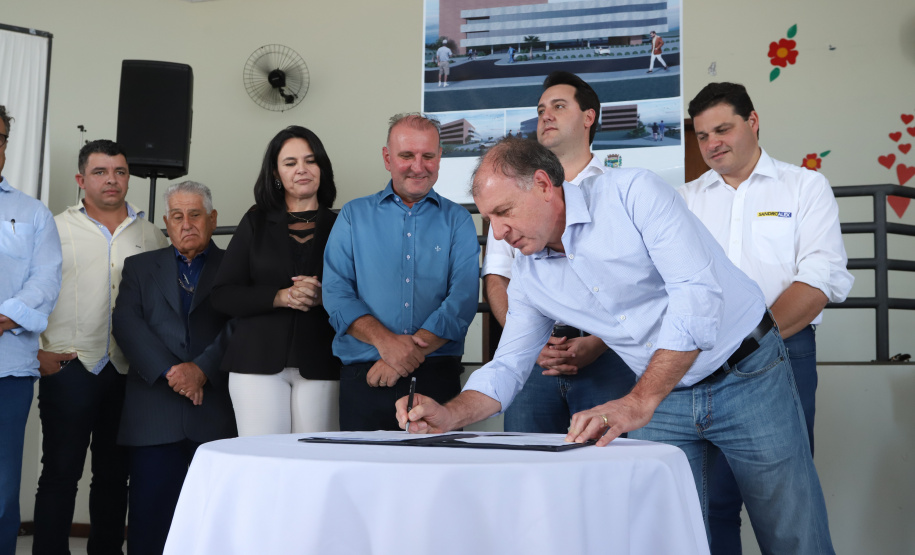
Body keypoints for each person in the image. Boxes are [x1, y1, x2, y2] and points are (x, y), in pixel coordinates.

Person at [397, 137, 836, 554]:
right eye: (489, 218)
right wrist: (450, 413)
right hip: (667, 399)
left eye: (504, 211)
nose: (499, 233)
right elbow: (509, 367)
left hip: (747, 374)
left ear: (544, 186)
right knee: (669, 538)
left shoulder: (633, 194)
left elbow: (696, 298)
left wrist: (638, 401)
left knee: (792, 533)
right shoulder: (530, 278)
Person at [680, 82, 853, 554]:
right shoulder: (683, 200)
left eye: (723, 129)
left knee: (787, 505)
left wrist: (751, 339)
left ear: (752, 122)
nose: (712, 142)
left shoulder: (804, 186)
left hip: (784, 354)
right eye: (701, 135)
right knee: (710, 505)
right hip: (702, 362)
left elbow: (819, 280)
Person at [34, 139, 169, 555]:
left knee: (114, 477)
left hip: (130, 374)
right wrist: (38, 353)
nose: (112, 180)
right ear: (81, 180)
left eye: (120, 172)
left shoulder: (153, 235)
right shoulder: (53, 229)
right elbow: (33, 293)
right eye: (100, 172)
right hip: (70, 369)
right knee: (60, 474)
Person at [482, 71, 635, 434]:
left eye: (558, 106)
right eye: (540, 109)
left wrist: (599, 341)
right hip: (536, 364)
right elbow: (498, 278)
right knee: (528, 472)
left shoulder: (618, 190)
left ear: (588, 117)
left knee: (608, 474)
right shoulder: (509, 194)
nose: (545, 115)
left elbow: (638, 285)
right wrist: (532, 346)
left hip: (611, 357)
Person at [323, 113, 479, 431]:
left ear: (439, 158)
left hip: (438, 376)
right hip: (364, 378)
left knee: (439, 478)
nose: (418, 166)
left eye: (428, 156)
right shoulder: (353, 215)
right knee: (364, 479)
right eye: (407, 155)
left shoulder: (459, 220)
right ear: (387, 158)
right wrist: (387, 344)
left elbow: (462, 299)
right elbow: (336, 293)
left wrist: (401, 355)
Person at [112, 181, 237, 555]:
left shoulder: (236, 267)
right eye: (178, 217)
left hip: (214, 412)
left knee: (212, 523)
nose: (187, 224)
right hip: (154, 413)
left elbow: (240, 325)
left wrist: (201, 370)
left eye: (195, 215)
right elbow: (126, 324)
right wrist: (173, 372)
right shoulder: (139, 267)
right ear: (166, 222)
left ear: (212, 219)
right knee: (150, 524)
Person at [211, 126, 340, 436]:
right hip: (255, 361)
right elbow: (223, 295)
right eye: (290, 163)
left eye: (310, 161)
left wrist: (325, 297)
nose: (302, 170)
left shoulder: (342, 224)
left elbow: (362, 291)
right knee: (263, 463)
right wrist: (282, 296)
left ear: (322, 167)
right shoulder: (255, 221)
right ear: (276, 173)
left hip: (321, 360)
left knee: (314, 465)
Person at [0, 105, 62, 555]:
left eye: (0, 137)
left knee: (1, 493)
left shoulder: (33, 213)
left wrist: (4, 316)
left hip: (9, 372)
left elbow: (46, 279)